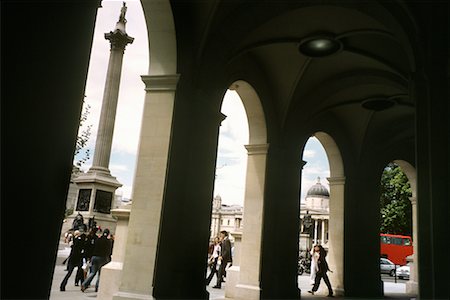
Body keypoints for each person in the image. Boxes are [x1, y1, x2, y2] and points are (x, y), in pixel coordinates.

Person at [81, 228, 113, 292]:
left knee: (92, 272)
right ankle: (97, 287)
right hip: (103, 257)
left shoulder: (97, 239)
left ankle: (84, 284)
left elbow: (93, 247)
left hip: (95, 256)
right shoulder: (108, 241)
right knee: (100, 274)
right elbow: (109, 251)